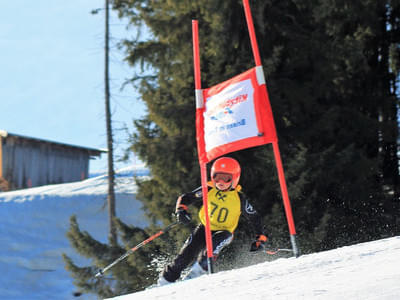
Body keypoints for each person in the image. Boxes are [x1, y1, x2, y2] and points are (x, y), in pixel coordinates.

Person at [157, 157, 268, 285]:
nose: (221, 182)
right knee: (186, 254)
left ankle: (198, 272)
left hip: (225, 232)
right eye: (217, 177)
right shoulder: (208, 189)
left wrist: (261, 237)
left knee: (213, 246)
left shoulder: (239, 198)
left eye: (226, 178)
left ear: (235, 178)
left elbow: (254, 217)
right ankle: (165, 281)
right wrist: (181, 210)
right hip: (204, 228)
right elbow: (186, 197)